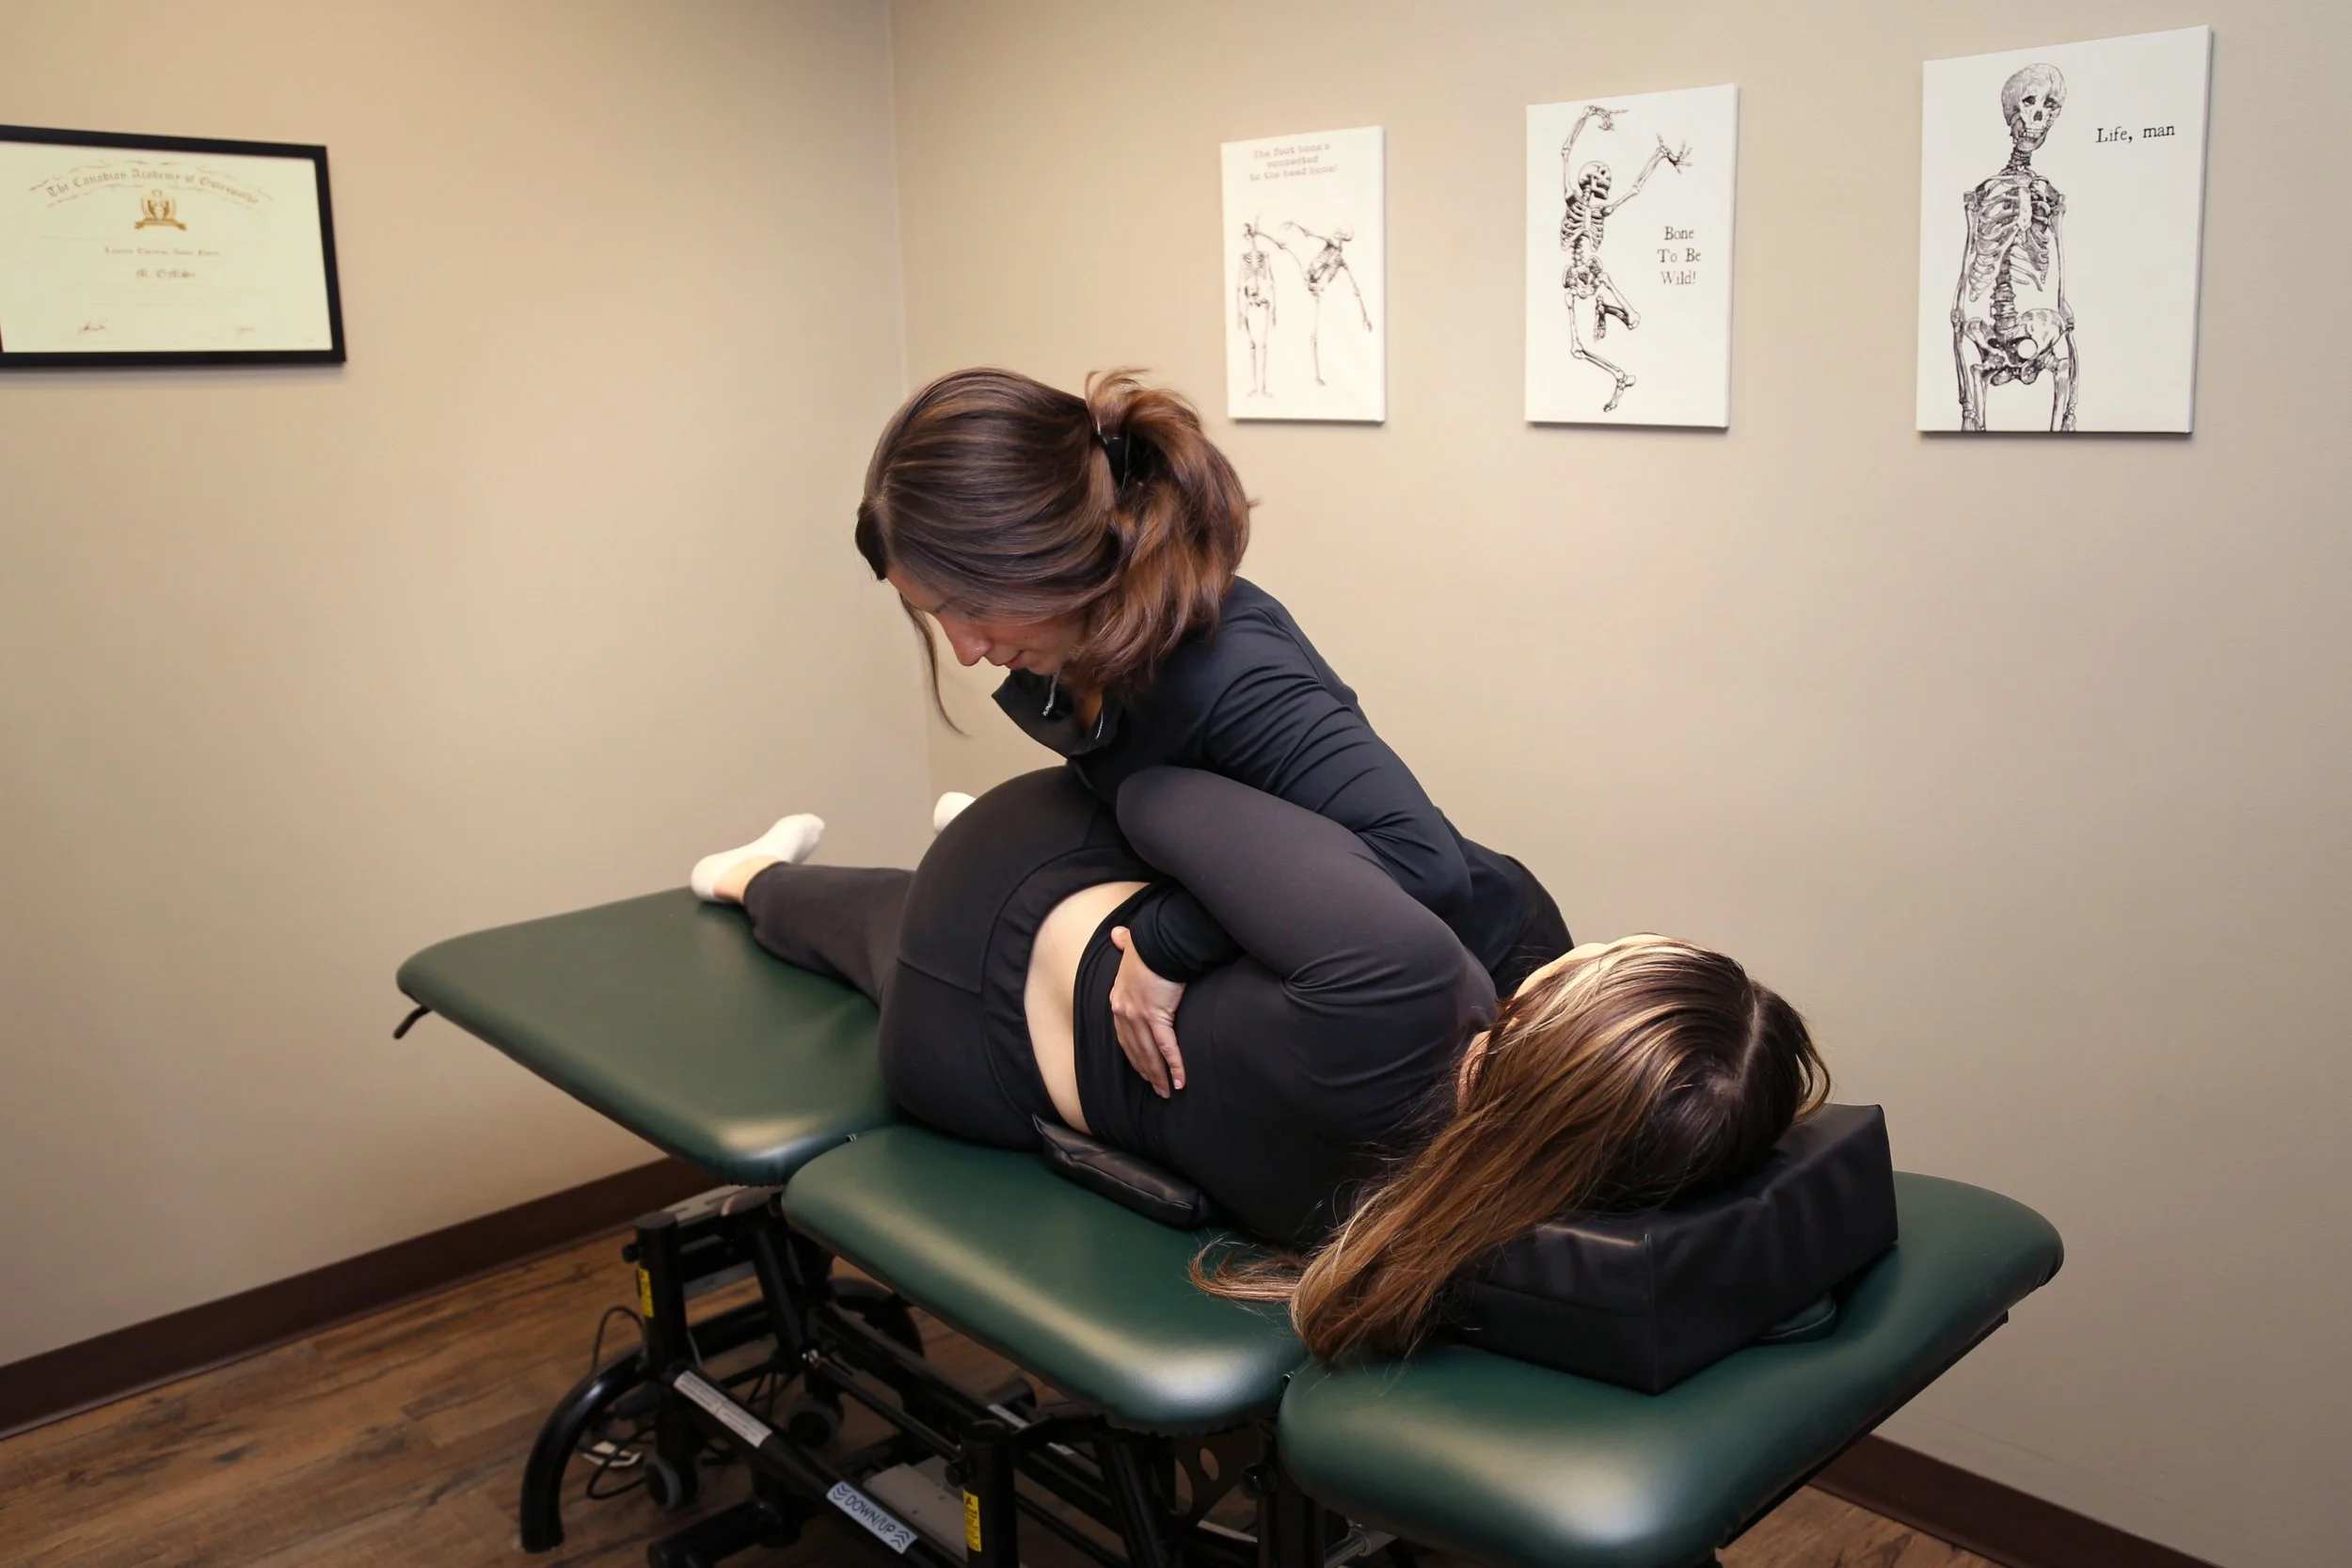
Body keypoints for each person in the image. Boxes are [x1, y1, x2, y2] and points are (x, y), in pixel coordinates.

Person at [688, 766, 1825, 1357]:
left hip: (1004, 896)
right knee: (874, 933)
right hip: (973, 1085)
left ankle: (765, 875)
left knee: (923, 898)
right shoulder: (1466, 1203)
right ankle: (764, 877)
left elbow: (1159, 791)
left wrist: (1185, 934)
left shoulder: (1407, 988)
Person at [851, 366, 1573, 1102]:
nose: (965, 649)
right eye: (935, 615)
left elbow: (1422, 864)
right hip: (1302, 959)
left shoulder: (1229, 668)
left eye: (969, 605)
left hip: (1490, 975)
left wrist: (1172, 939)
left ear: (1044, 551)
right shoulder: (1066, 646)